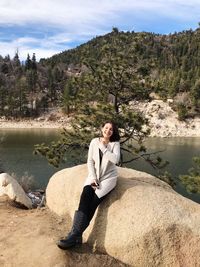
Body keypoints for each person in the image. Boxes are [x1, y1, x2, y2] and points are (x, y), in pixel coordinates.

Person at [57, 121, 121, 250]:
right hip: (94, 176)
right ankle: (76, 236)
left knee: (92, 204)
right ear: (102, 128)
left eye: (111, 129)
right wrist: (94, 177)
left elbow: (116, 160)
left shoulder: (115, 144)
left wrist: (103, 147)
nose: (108, 131)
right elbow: (90, 161)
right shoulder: (94, 141)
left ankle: (73, 235)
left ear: (113, 132)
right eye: (106, 128)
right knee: (85, 197)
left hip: (108, 178)